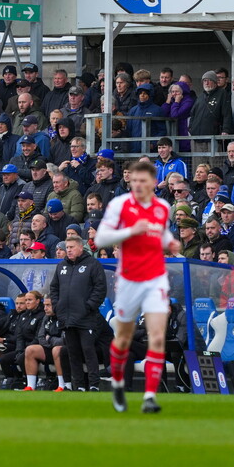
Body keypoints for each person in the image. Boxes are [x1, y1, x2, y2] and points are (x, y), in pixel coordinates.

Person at [94, 160, 179, 413]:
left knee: (157, 336)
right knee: (122, 339)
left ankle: (149, 397)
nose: (139, 185)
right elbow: (100, 238)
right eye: (135, 181)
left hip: (155, 278)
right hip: (129, 279)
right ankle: (119, 384)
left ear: (154, 182)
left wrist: (170, 243)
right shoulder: (120, 205)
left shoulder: (163, 207)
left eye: (144, 181)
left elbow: (160, 234)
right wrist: (130, 231)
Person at [49, 236, 107, 392]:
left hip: (86, 317)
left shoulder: (92, 264)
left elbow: (100, 288)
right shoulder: (61, 266)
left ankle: (94, 384)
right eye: (67, 247)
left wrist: (88, 307)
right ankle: (79, 385)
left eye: (71, 247)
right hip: (66, 317)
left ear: (81, 248)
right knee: (72, 352)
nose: (68, 250)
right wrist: (57, 306)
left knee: (88, 350)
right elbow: (54, 288)